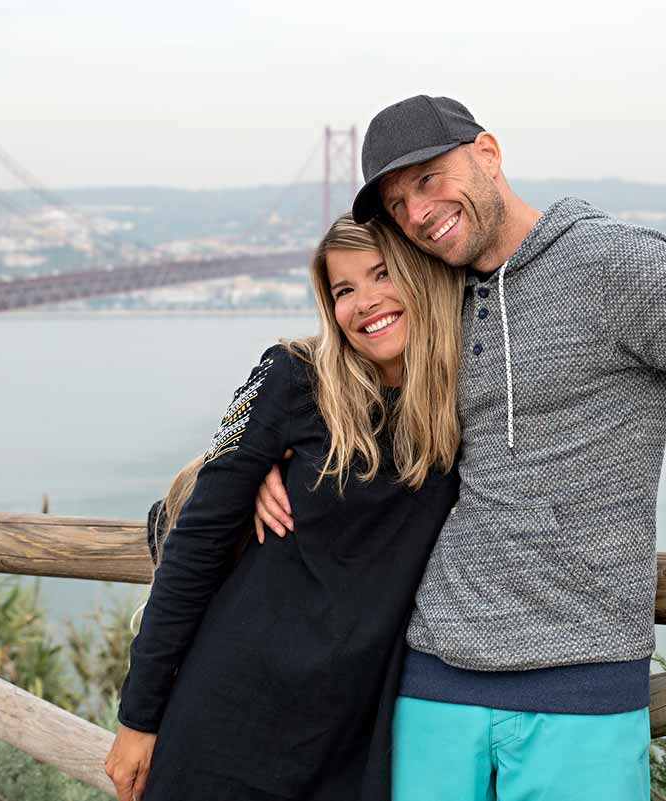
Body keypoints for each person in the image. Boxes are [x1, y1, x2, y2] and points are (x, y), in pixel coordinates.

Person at [254, 95, 666, 800]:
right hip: (431, 677)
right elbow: (340, 402)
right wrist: (256, 470)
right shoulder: (431, 296)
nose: (418, 212)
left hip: (582, 685)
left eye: (428, 178)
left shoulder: (612, 263)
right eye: (398, 204)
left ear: (488, 153)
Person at [104, 213, 465, 801]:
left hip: (354, 732)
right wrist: (137, 718)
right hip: (231, 712)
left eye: (382, 274)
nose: (365, 302)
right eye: (343, 290)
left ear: (422, 275)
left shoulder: (467, 397)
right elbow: (194, 541)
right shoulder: (291, 375)